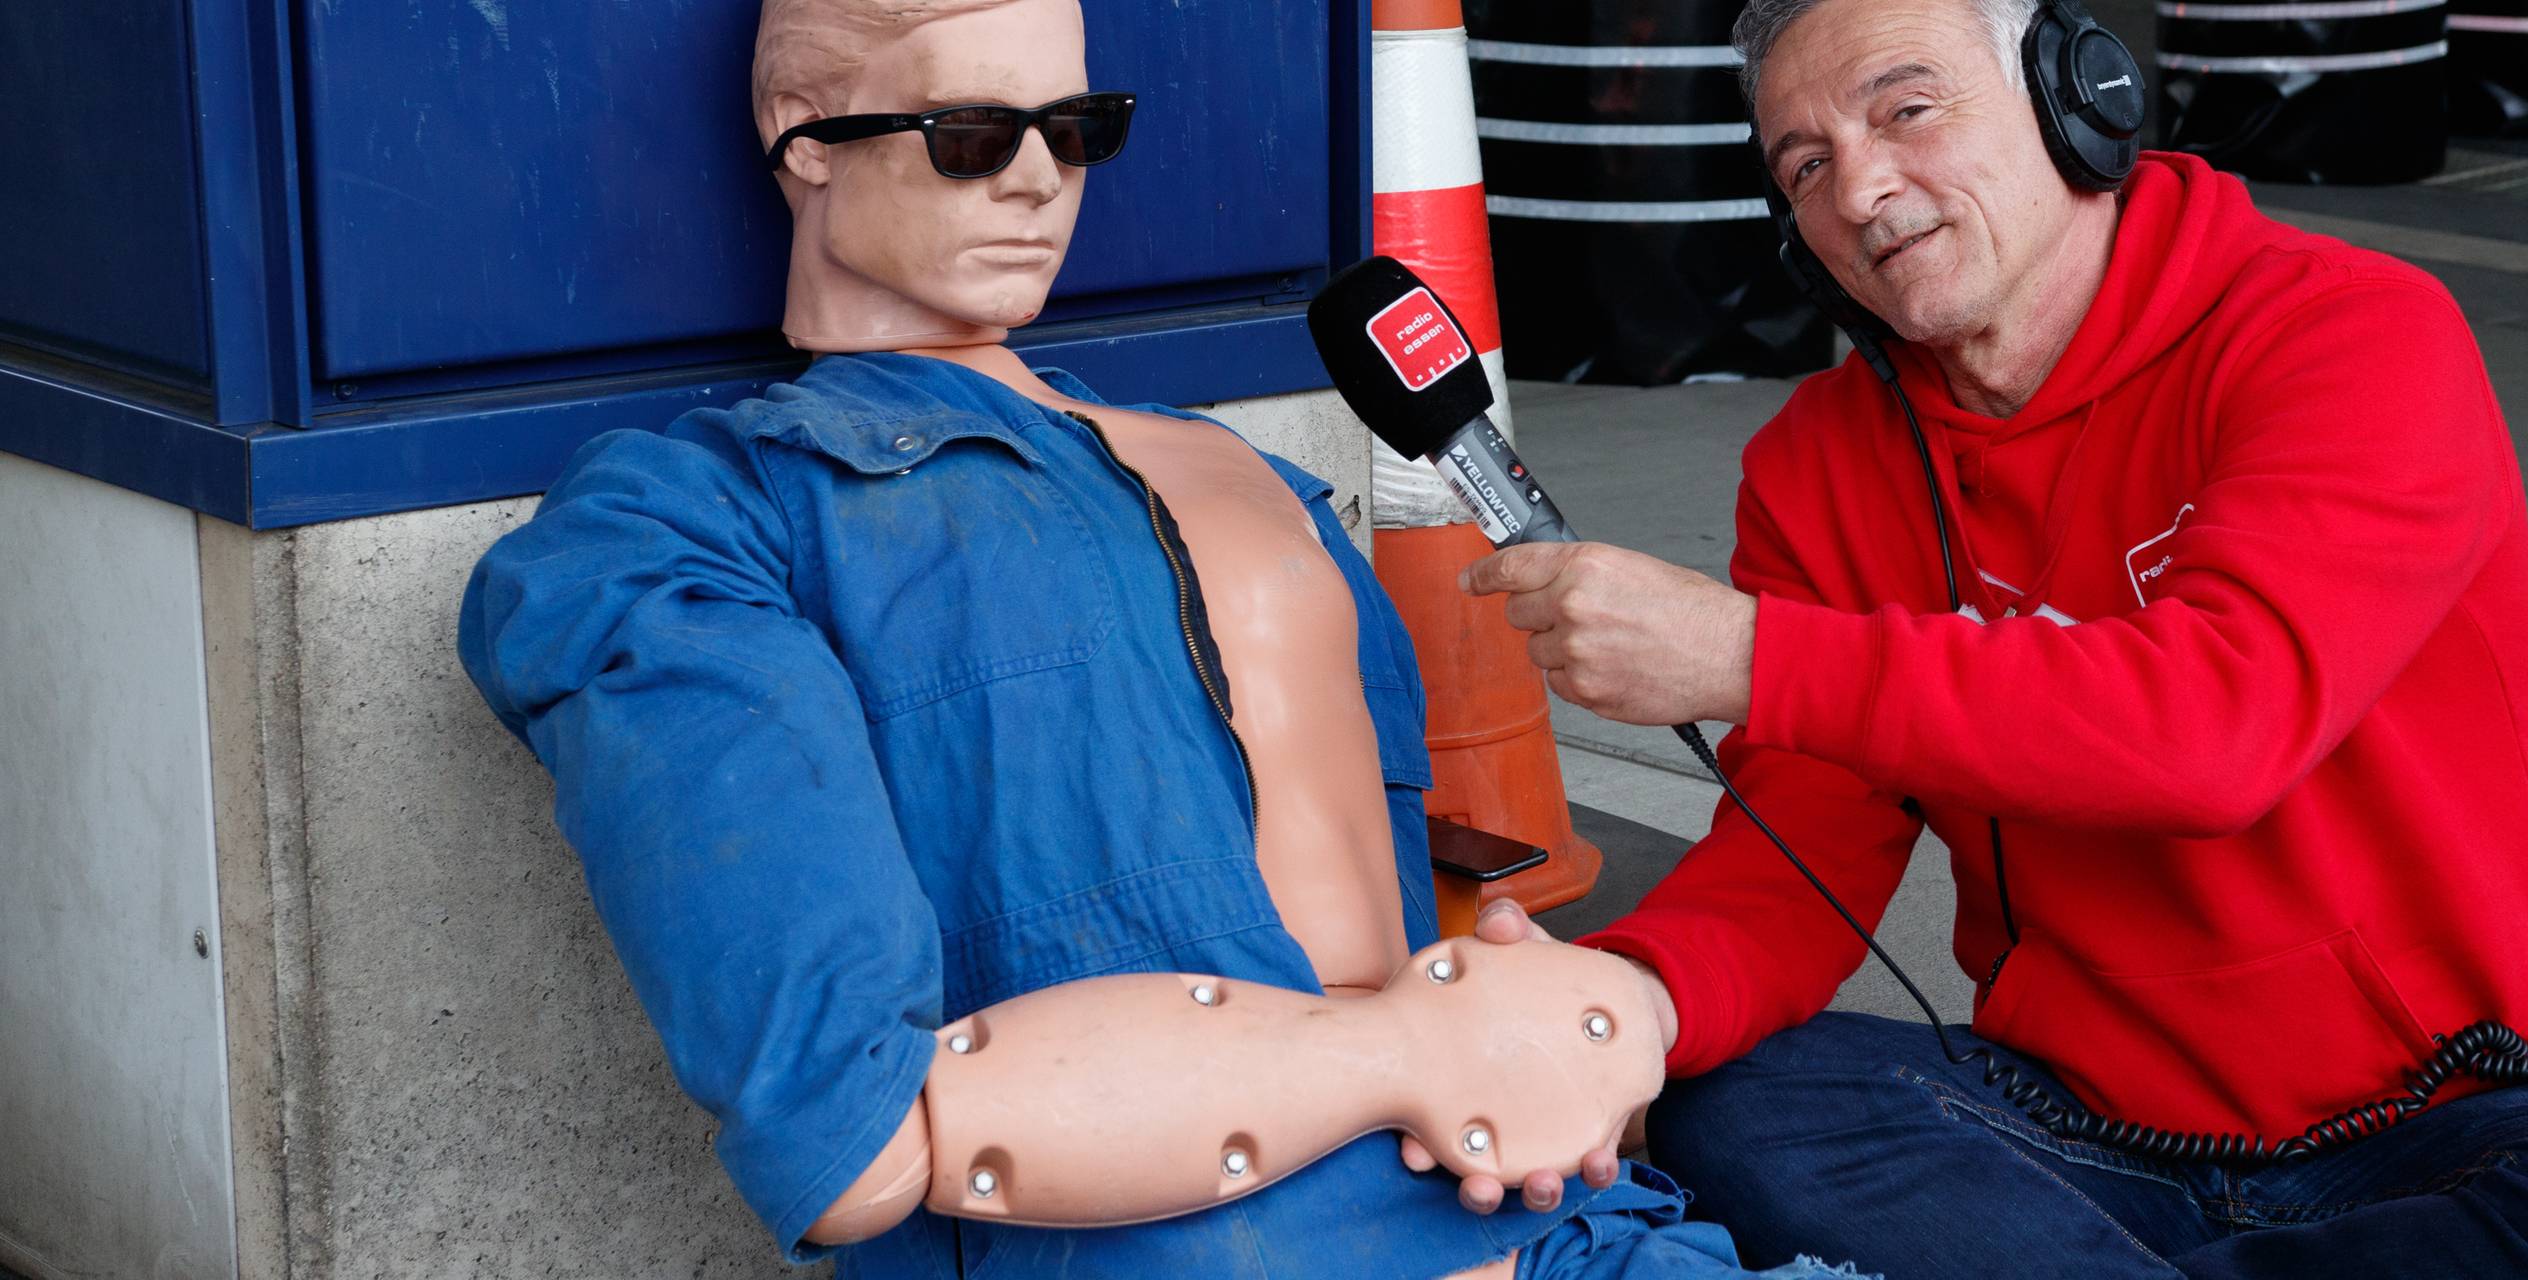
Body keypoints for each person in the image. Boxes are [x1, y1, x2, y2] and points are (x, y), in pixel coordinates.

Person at [458, 1, 1870, 1277]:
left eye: (1076, 131)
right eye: (969, 135)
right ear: (803, 138)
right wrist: (1407, 1049)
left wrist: (1543, 1004)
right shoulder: (693, 517)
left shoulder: (1259, 480)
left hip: (1560, 1213)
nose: (1035, 181)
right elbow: (856, 1143)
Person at [1453, 0, 2528, 1274]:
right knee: (1740, 1109)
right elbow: (1800, 863)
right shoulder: (1820, 469)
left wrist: (1754, 655)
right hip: (2079, 1126)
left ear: (2076, 99)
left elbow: (2220, 727)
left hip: (2444, 1127)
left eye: (1906, 110)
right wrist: (1619, 1011)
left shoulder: (2346, 332)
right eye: (1805, 163)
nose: (1857, 192)